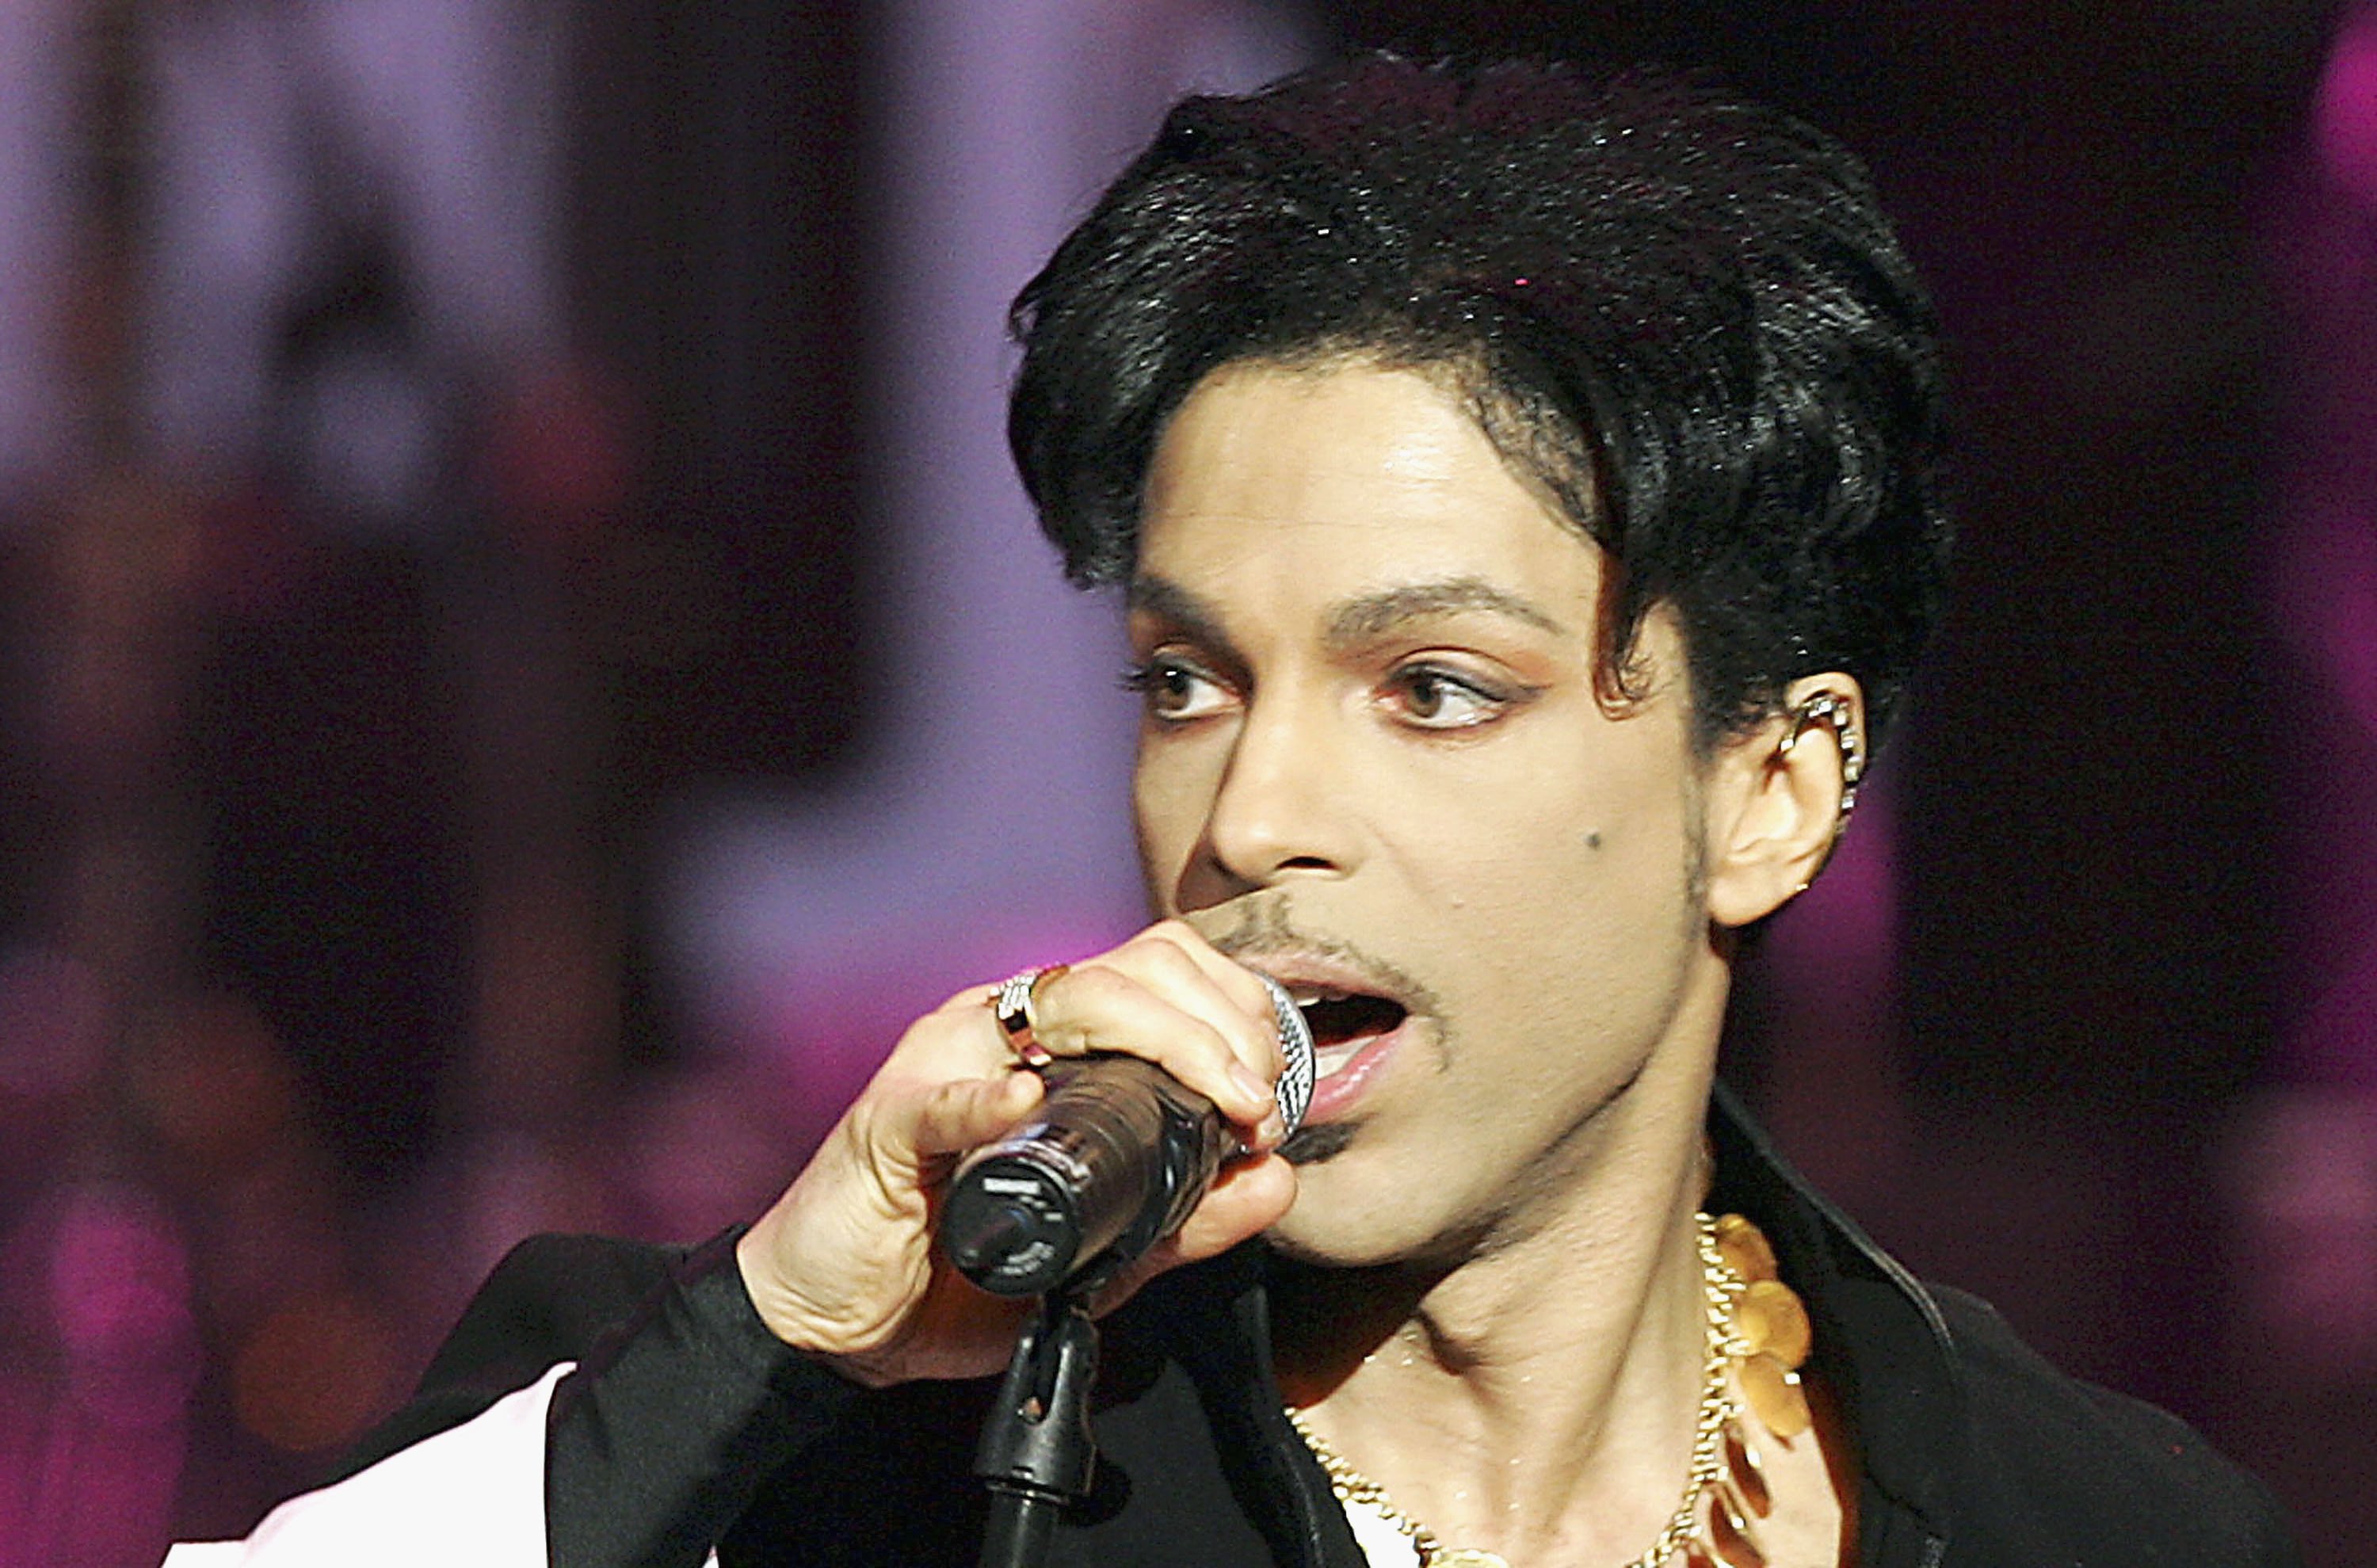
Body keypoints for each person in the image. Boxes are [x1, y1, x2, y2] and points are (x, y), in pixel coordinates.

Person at [168, 55, 2299, 1568]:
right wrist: (760, 1349)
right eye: (1186, 680)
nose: (1251, 811)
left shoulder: (2086, 1518)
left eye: (1432, 688)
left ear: (1769, 787)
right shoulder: (793, 1438)